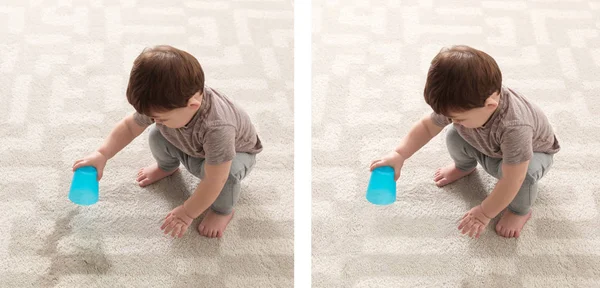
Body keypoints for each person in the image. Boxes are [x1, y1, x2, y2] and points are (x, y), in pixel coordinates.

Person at [72, 45, 262, 238]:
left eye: (160, 118)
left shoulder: (217, 128)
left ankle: (224, 211)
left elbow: (215, 179)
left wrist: (188, 212)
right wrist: (102, 154)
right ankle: (167, 167)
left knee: (225, 176)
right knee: (156, 134)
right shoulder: (166, 103)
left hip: (236, 155)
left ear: (192, 105)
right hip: (196, 147)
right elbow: (130, 127)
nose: (155, 120)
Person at [370, 45, 560, 239]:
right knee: (454, 134)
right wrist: (400, 154)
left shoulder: (515, 127)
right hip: (492, 147)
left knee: (524, 177)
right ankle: (464, 167)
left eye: (458, 118)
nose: (453, 120)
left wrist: (485, 212)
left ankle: (520, 211)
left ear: (490, 106)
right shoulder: (463, 102)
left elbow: (513, 179)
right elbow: (427, 127)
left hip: (533, 155)